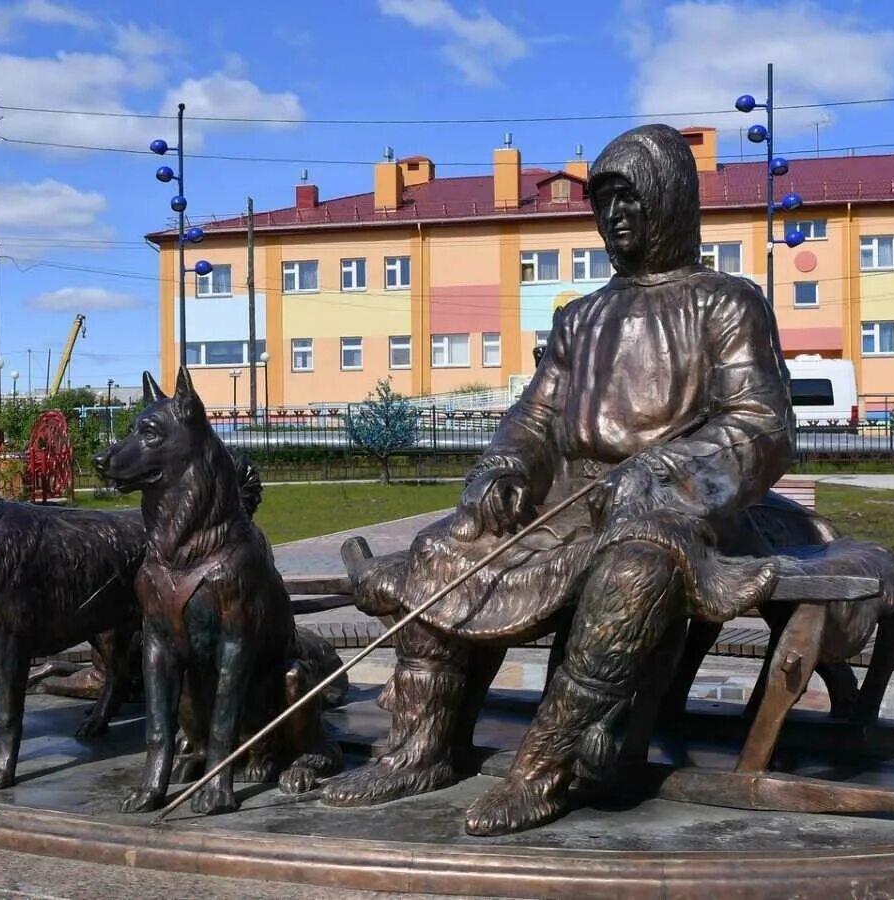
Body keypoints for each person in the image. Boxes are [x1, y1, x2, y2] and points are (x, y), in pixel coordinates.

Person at [324, 124, 800, 836]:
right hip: (569, 505)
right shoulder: (581, 318)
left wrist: (662, 467)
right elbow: (536, 416)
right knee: (441, 549)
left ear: (669, 201)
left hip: (674, 510)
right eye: (605, 201)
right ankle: (420, 750)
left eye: (631, 199)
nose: (616, 216)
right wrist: (506, 466)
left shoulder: (726, 303)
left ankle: (544, 767)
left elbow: (762, 423)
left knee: (633, 573)